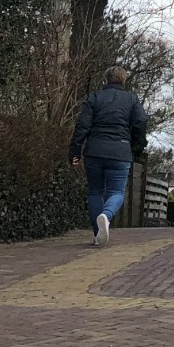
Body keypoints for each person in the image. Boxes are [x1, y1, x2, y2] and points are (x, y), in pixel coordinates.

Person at [69, 65, 148, 246]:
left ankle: (98, 235)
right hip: (120, 151)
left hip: (94, 151)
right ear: (123, 80)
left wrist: (75, 152)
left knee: (95, 192)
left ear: (105, 80)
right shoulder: (132, 99)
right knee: (116, 192)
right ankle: (106, 214)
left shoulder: (95, 98)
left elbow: (82, 126)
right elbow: (141, 121)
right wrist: (135, 145)